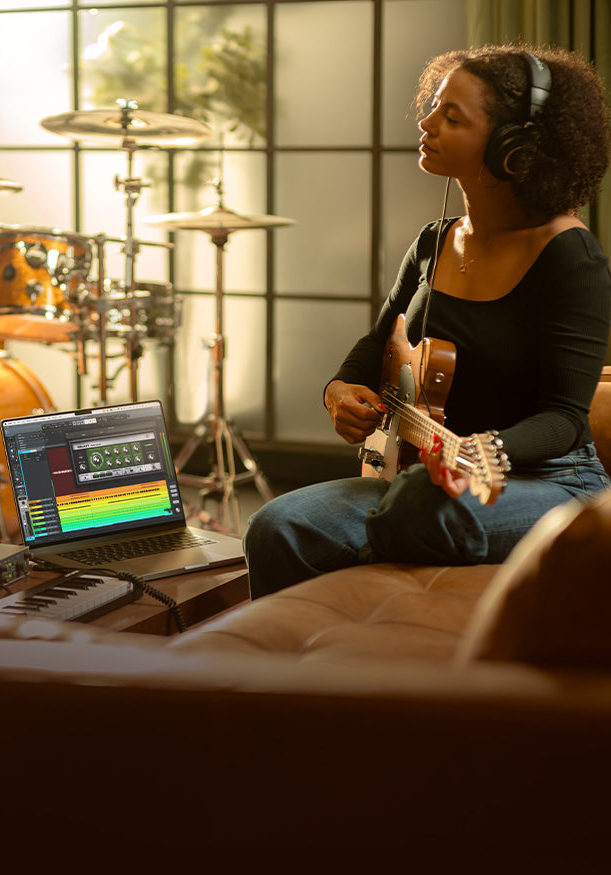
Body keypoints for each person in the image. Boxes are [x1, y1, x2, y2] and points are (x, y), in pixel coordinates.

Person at [245, 43, 611, 599]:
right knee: (276, 525)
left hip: (549, 482)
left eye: (452, 116)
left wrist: (476, 452)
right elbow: (379, 341)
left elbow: (564, 420)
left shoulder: (568, 255)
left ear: (514, 147)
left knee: (420, 507)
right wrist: (338, 390)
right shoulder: (434, 241)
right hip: (422, 478)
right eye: (434, 106)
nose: (426, 122)